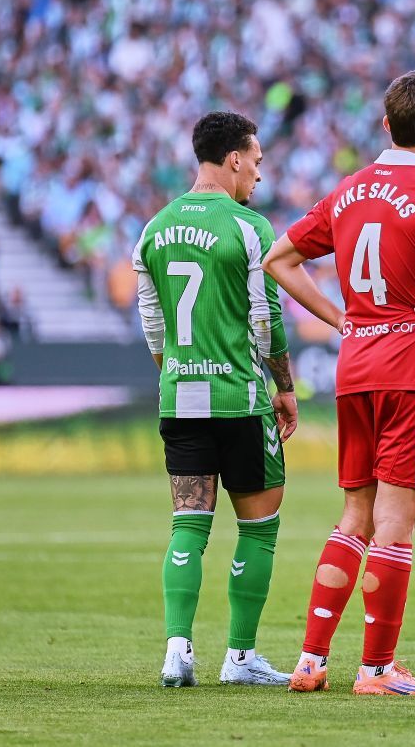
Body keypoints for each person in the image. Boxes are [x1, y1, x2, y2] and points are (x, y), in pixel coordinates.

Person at [264, 71, 415, 697]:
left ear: (385, 125)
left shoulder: (349, 190)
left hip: (355, 365)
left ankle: (310, 660)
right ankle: (378, 668)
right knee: (396, 522)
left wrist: (341, 319)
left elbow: (278, 259)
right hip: (412, 367)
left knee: (354, 514)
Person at [132, 111, 296, 688]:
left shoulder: (153, 229)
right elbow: (267, 319)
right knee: (259, 527)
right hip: (241, 399)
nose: (257, 170)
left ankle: (177, 650)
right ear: (233, 158)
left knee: (188, 523)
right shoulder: (248, 226)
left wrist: (180, 373)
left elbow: (155, 329)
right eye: (255, 159)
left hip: (179, 397)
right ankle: (240, 658)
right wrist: (285, 386)